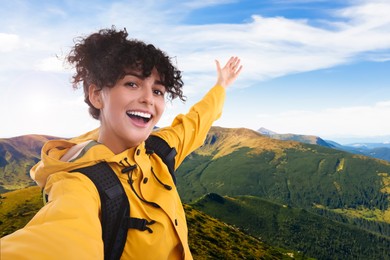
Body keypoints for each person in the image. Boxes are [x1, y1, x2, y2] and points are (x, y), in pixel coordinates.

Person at [0, 27, 242, 259]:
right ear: (97, 95)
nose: (148, 98)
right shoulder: (79, 185)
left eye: (157, 91)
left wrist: (221, 85)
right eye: (132, 84)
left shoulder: (158, 149)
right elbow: (54, 241)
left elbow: (198, 119)